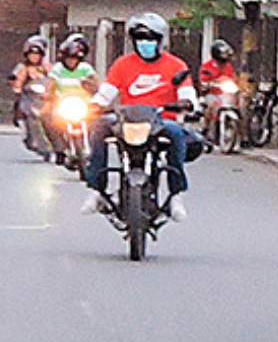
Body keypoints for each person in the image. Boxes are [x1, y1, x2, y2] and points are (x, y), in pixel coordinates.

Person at [81, 12, 198, 221]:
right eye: (141, 39)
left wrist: (186, 104)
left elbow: (187, 94)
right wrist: (94, 106)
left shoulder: (176, 66)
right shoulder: (122, 64)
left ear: (161, 41)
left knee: (177, 135)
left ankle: (176, 195)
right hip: (127, 119)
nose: (146, 43)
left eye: (151, 39)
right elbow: (106, 93)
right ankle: (95, 190)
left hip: (161, 120)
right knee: (99, 127)